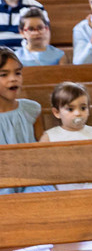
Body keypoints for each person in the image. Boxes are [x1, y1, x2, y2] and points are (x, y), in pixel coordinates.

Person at [39, 82, 92, 191]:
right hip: (66, 187)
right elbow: (41, 166)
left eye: (83, 108)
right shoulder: (49, 137)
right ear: (57, 112)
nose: (78, 113)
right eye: (70, 109)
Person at [0, 49, 46, 190]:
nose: (13, 79)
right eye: (4, 75)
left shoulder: (31, 110)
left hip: (32, 179)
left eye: (18, 73)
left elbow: (43, 149)